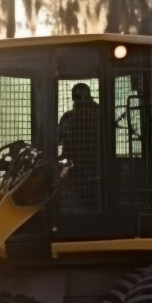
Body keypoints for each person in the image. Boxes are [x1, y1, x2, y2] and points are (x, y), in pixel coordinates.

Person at [58, 82, 100, 211]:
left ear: (73, 98)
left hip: (77, 168)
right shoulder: (101, 114)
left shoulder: (68, 117)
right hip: (100, 166)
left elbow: (59, 139)